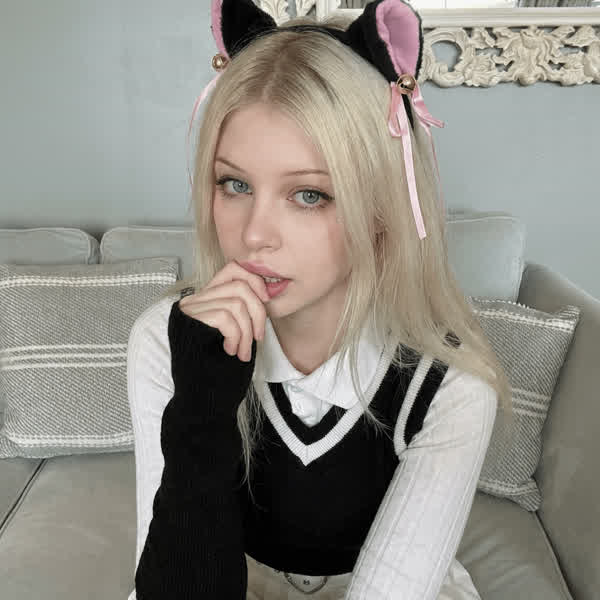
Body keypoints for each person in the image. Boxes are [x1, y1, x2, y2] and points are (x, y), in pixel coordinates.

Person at [127, 0, 515, 598]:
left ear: (382, 208)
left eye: (309, 195)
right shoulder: (166, 337)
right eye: (234, 184)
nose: (254, 235)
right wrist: (201, 407)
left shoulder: (451, 386)